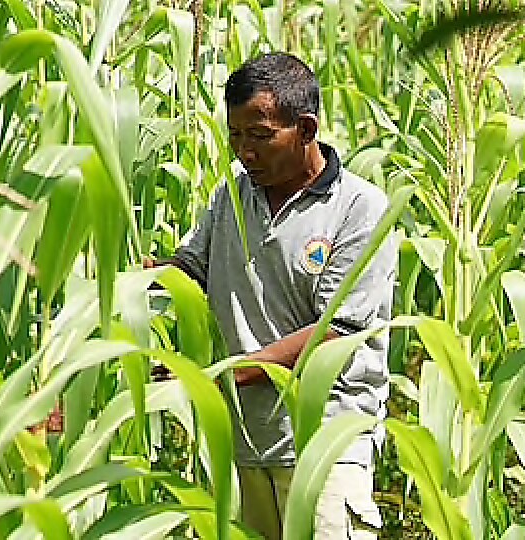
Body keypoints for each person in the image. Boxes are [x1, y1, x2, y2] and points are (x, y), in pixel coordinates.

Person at [170, 52, 396, 539]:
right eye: (234, 135)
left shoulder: (360, 209)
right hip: (247, 442)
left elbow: (336, 332)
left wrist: (221, 375)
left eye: (259, 136)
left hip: (325, 445)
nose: (244, 152)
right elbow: (189, 269)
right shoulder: (232, 195)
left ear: (307, 129)